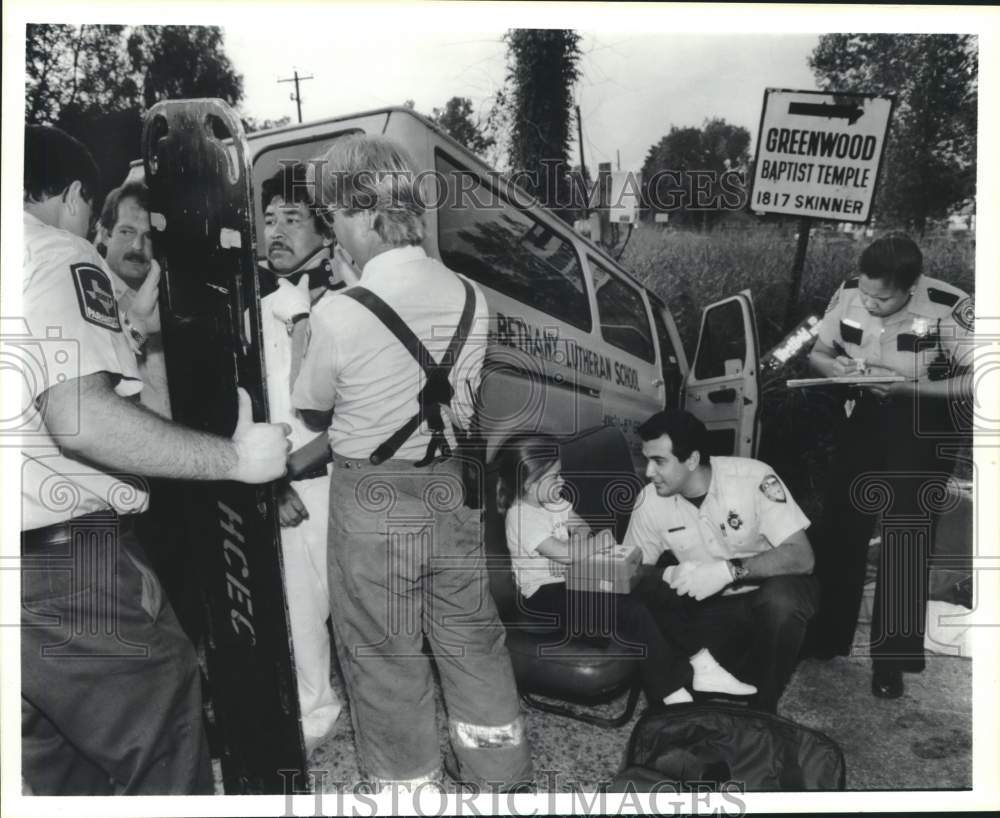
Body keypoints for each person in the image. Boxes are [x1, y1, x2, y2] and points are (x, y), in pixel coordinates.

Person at [20, 124, 291, 794]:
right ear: (79, 196)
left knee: (58, 761)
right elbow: (79, 420)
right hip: (60, 569)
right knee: (163, 725)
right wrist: (236, 458)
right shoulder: (58, 252)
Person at [291, 133, 531, 788]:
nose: (332, 230)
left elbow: (309, 405)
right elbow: (465, 402)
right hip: (449, 489)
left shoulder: (340, 311)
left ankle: (409, 789)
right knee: (472, 640)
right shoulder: (476, 300)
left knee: (382, 652)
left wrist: (323, 311)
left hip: (371, 500)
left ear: (363, 212)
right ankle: (500, 778)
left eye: (333, 215)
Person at [806, 233, 973, 699]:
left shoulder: (948, 305)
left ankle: (890, 661)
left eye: (883, 298)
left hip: (922, 421)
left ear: (911, 286)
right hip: (864, 415)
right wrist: (835, 370)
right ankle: (825, 636)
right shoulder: (848, 293)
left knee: (906, 533)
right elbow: (818, 353)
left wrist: (911, 389)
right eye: (866, 294)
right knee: (841, 525)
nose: (871, 304)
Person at [498, 433, 758, 707]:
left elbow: (581, 525)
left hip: (574, 578)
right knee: (631, 609)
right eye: (554, 477)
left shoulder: (555, 501)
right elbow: (564, 554)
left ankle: (704, 665)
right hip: (542, 596)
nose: (561, 481)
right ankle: (670, 694)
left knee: (656, 587)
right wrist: (596, 543)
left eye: (560, 474)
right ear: (528, 483)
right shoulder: (521, 517)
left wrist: (583, 537)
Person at [257, 163, 358, 754]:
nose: (276, 231)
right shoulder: (251, 308)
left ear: (324, 231)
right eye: (268, 219)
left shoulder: (348, 307)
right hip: (282, 492)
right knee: (296, 612)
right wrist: (272, 484)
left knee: (361, 614)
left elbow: (354, 415)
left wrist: (294, 469)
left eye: (292, 218)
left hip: (340, 482)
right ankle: (315, 711)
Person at [624, 409, 818, 714]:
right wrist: (670, 573)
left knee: (783, 603)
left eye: (659, 461)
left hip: (767, 593)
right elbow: (633, 571)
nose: (648, 472)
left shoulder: (752, 477)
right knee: (686, 693)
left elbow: (801, 555)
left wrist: (729, 570)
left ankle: (764, 712)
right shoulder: (650, 500)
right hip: (712, 609)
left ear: (691, 460)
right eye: (646, 459)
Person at [94, 179, 170, 417]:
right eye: (126, 232)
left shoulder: (167, 298)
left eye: (148, 236)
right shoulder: (88, 295)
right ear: (106, 235)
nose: (138, 245)